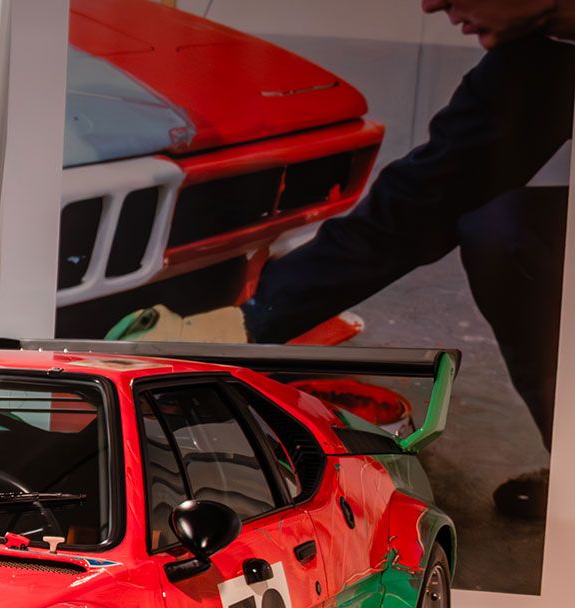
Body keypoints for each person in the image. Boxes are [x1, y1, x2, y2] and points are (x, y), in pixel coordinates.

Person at [126, 4, 575, 520]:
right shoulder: (537, 58)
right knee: (503, 234)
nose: (431, 4)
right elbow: (419, 204)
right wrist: (247, 320)